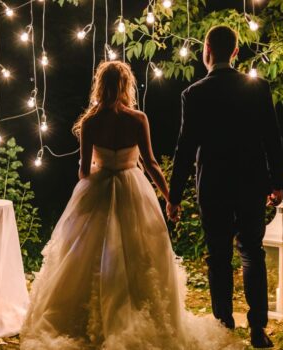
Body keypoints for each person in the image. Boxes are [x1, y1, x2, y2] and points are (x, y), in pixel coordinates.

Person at [20, 61, 241, 349]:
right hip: (133, 188)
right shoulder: (138, 119)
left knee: (88, 255)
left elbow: (84, 171)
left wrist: (99, 167)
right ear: (127, 86)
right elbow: (150, 163)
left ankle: (90, 317)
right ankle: (136, 311)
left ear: (100, 85)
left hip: (97, 190)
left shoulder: (90, 122)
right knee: (141, 254)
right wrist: (169, 198)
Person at [167, 25, 283, 349]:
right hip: (251, 183)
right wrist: (277, 183)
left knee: (218, 257)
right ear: (235, 51)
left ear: (207, 48)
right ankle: (258, 328)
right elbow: (272, 139)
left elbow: (185, 149)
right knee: (252, 252)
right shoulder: (258, 88)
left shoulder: (194, 94)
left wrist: (173, 197)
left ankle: (223, 326)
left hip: (214, 187)